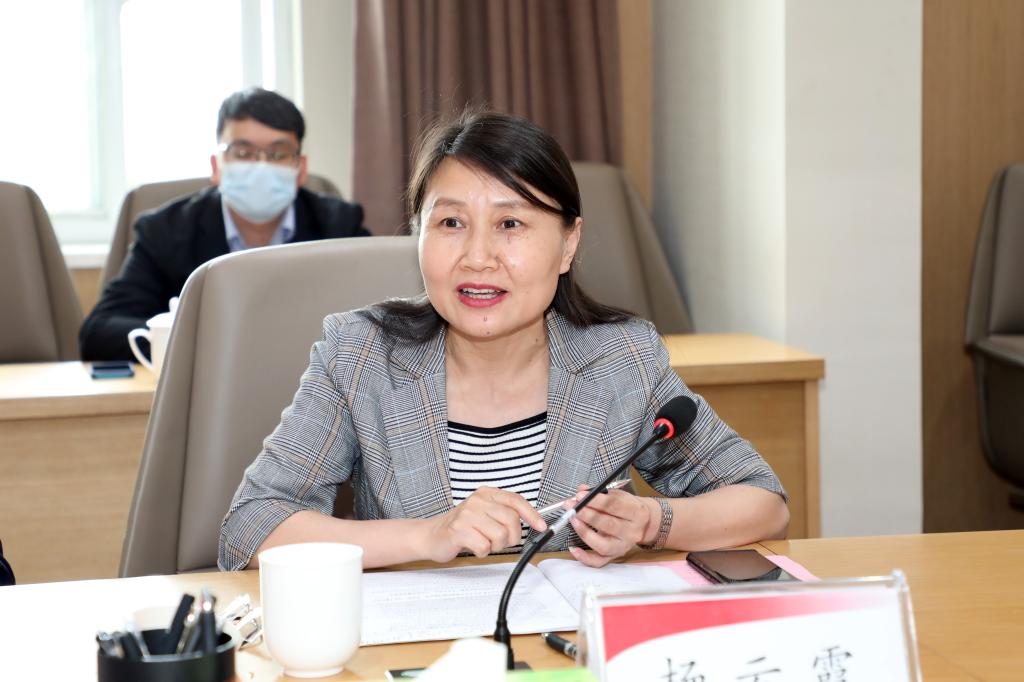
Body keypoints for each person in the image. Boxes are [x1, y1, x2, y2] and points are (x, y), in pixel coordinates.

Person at [219, 111, 789, 571]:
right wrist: (427, 536)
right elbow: (251, 528)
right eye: (450, 223)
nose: (477, 257)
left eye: (510, 224)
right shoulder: (362, 354)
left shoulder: (621, 358)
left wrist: (651, 522)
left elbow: (763, 501)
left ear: (568, 245)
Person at [80, 87, 369, 361]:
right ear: (217, 166)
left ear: (301, 169)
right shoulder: (166, 231)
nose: (260, 166)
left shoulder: (339, 227)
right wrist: (200, 339)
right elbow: (99, 332)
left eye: (278, 154)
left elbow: (382, 320)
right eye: (243, 153)